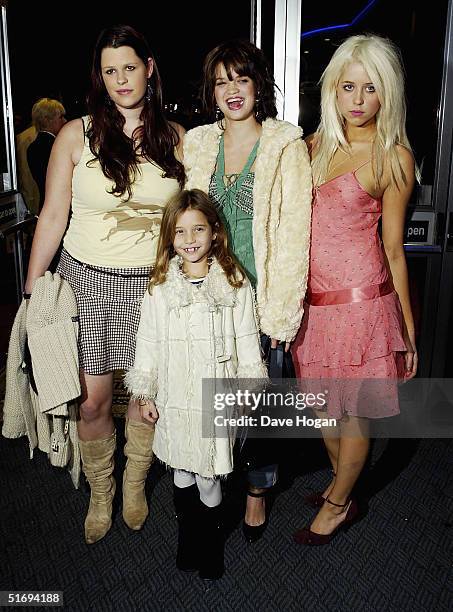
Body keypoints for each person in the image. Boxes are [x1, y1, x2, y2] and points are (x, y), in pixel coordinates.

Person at [23, 24, 185, 544]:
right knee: (92, 402)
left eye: (129, 68)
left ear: (149, 68)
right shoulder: (76, 134)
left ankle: (134, 483)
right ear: (100, 76)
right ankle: (102, 490)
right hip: (88, 282)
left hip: (153, 286)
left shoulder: (178, 138)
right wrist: (31, 293)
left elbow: (193, 221)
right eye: (109, 71)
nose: (120, 80)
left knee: (144, 396)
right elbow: (52, 215)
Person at [183, 39, 313, 543]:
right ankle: (214, 477)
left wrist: (281, 314)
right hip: (209, 294)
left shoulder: (285, 146)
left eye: (241, 78)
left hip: (260, 298)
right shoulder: (196, 145)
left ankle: (258, 490)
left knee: (261, 404)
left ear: (258, 84)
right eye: (221, 81)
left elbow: (294, 233)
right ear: (210, 90)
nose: (232, 90)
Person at [291, 34, 418, 545]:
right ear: (333, 90)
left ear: (386, 94)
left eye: (371, 88)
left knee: (355, 414)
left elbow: (393, 251)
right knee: (325, 408)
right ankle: (341, 483)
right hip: (315, 307)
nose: (359, 99)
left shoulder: (394, 157)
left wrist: (409, 331)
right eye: (349, 86)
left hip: (364, 307)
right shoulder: (312, 148)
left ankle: (340, 502)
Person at [125, 189, 267, 579]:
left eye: (198, 229)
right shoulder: (158, 288)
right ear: (170, 237)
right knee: (181, 473)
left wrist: (247, 391)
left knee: (208, 476)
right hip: (173, 397)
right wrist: (144, 390)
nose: (190, 240)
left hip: (214, 399)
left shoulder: (234, 283)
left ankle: (210, 547)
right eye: (181, 232)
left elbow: (246, 342)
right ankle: (187, 539)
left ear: (214, 232)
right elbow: (148, 343)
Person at [27, 98, 67, 211]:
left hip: (45, 207)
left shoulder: (32, 147)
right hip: (61, 210)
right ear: (47, 120)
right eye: (60, 117)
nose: (65, 121)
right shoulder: (57, 146)